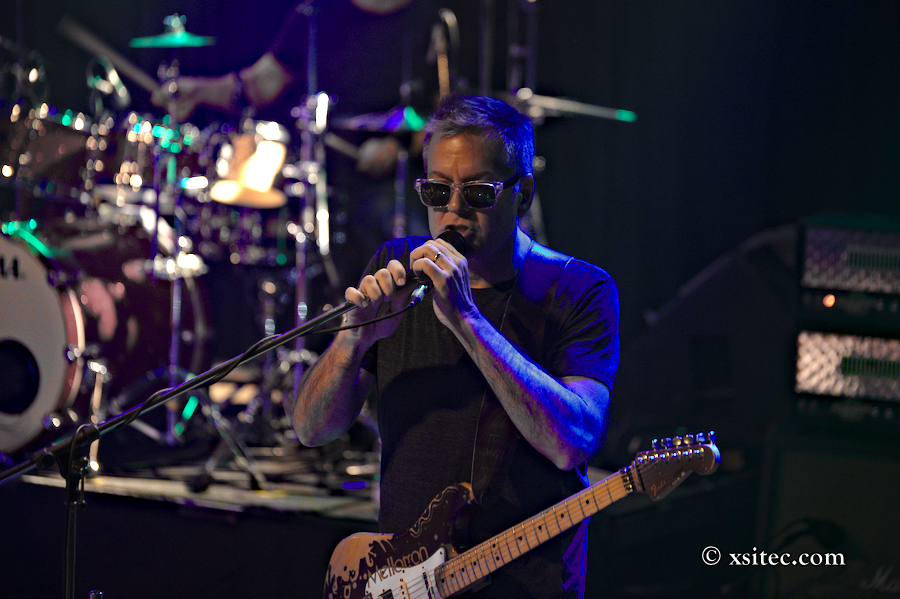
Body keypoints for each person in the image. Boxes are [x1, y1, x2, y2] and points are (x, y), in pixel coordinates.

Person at [294, 95, 620, 598]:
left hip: (523, 585)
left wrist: (467, 319)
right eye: (437, 190)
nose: (453, 211)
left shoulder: (580, 289)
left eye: (478, 193)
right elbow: (312, 429)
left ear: (523, 195)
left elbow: (571, 442)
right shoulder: (398, 267)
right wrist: (352, 339)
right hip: (405, 581)